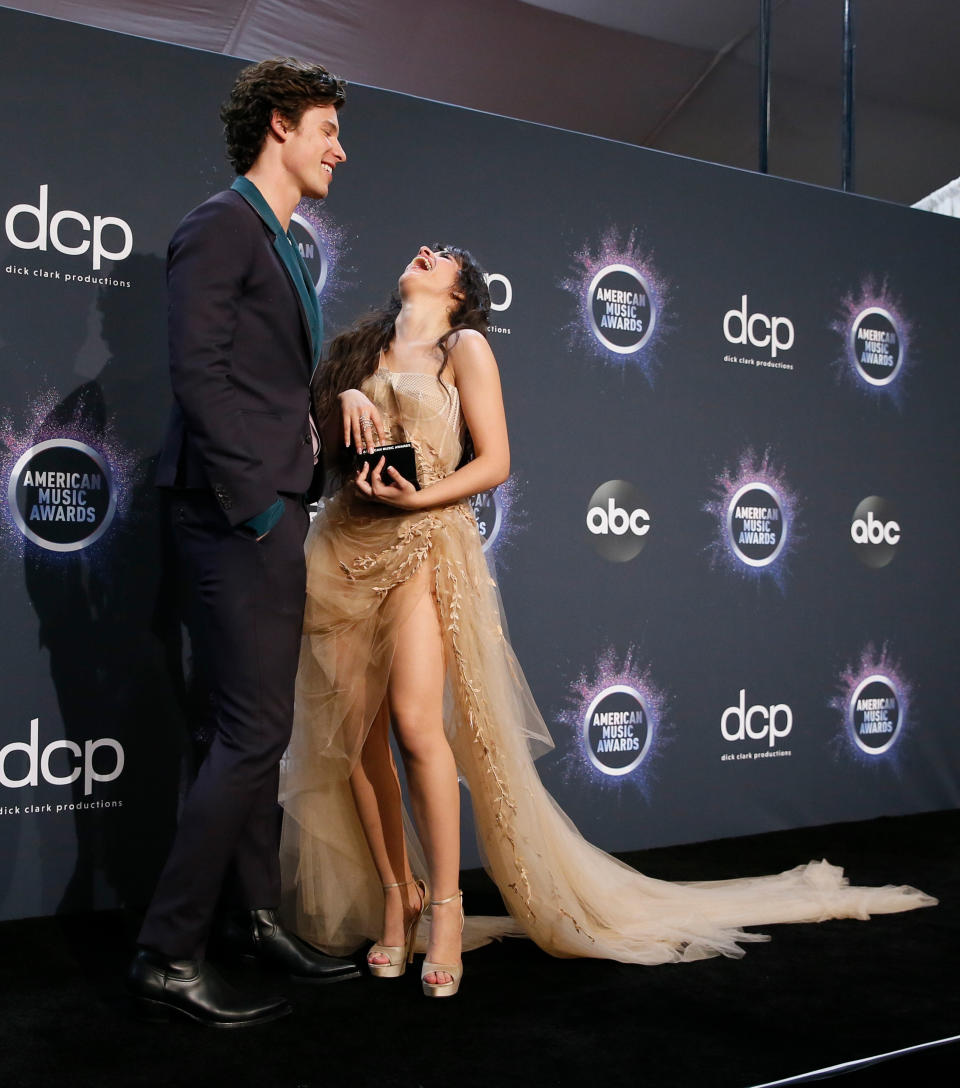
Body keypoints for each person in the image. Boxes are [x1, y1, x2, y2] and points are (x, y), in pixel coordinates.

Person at [279, 244, 936, 999]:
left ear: (461, 294)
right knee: (356, 742)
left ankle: (450, 915)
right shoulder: (356, 351)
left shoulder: (466, 346)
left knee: (415, 726)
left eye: (444, 258)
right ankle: (399, 905)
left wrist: (419, 502)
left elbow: (493, 463)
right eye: (424, 250)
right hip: (345, 548)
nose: (424, 253)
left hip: (422, 545)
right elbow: (311, 443)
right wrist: (343, 403)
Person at [129, 58, 367, 1028]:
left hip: (264, 505)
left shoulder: (285, 243)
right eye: (327, 129)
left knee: (248, 729)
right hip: (235, 515)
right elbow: (198, 373)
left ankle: (255, 917)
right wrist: (259, 505)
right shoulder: (221, 225)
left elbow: (265, 383)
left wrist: (326, 416)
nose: (339, 149)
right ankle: (166, 949)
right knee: (250, 732)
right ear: (280, 125)